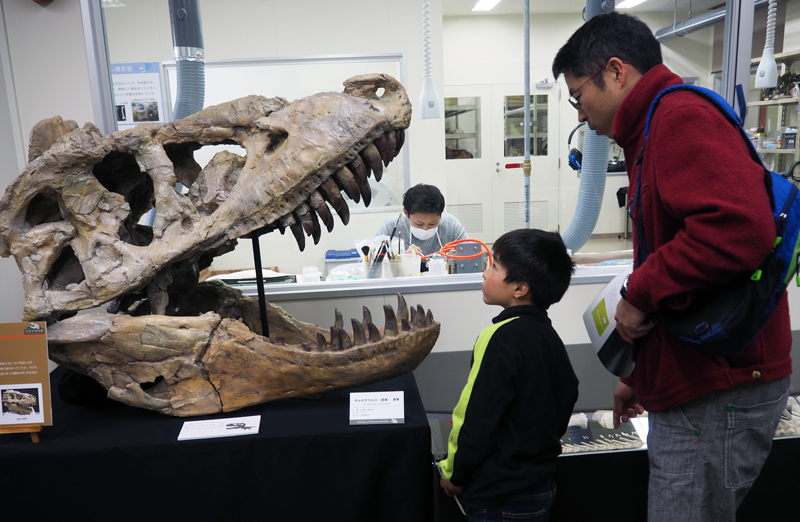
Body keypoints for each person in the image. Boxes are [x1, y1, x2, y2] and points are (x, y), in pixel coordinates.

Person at [552, 12, 792, 521]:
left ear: (615, 72)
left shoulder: (680, 118)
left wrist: (638, 293)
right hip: (694, 372)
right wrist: (642, 372)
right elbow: (680, 254)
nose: (579, 113)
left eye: (578, 96)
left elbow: (740, 230)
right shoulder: (649, 130)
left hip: (720, 384)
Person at [438, 228, 579, 521]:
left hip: (498, 495)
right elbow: (568, 393)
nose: (485, 273)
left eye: (494, 267)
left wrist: (453, 471)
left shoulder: (498, 338)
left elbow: (476, 415)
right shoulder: (548, 336)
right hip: (540, 485)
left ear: (519, 289)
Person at [375, 183, 468, 257]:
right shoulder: (391, 226)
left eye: (432, 223)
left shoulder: (450, 224)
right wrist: (400, 260)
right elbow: (372, 262)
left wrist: (454, 261)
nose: (425, 229)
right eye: (419, 224)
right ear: (406, 213)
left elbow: (473, 254)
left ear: (440, 214)